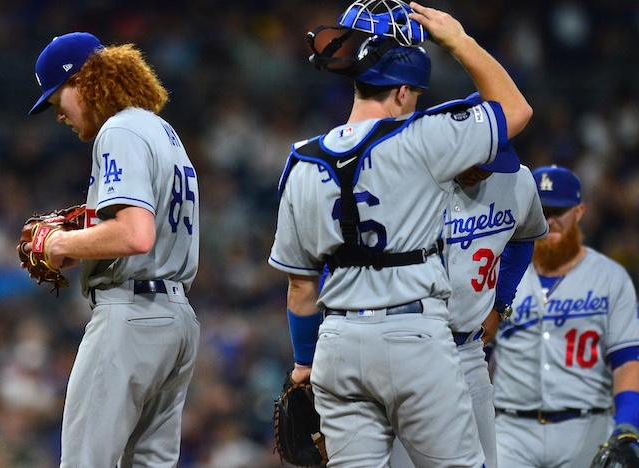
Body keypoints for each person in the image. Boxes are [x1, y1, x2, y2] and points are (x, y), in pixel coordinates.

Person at [268, 0, 533, 465]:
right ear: (404, 90)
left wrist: (305, 365)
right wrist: (458, 40)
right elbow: (514, 109)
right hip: (415, 337)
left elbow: (299, 287)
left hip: (338, 346)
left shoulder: (301, 161)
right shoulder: (423, 140)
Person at [20, 32, 200, 467]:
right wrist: (88, 234)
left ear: (83, 82)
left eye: (56, 97)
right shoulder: (161, 130)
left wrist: (61, 242)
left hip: (131, 318)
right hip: (176, 320)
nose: (58, 115)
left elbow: (135, 235)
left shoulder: (118, 129)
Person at [390, 134, 548, 468]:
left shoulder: (518, 181)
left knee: (485, 462)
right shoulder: (412, 180)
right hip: (407, 351)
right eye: (476, 161)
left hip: (468, 348)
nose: (481, 172)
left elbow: (524, 239)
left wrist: (500, 305)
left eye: (490, 165)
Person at [490, 165, 639, 468]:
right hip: (510, 430)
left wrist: (627, 425)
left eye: (560, 210)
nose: (550, 221)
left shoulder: (610, 277)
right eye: (541, 210)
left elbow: (627, 360)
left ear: (579, 212)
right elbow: (478, 353)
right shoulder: (497, 275)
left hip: (587, 428)